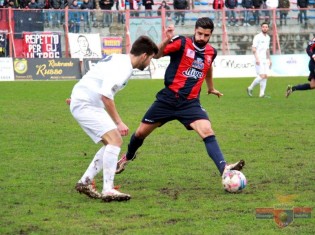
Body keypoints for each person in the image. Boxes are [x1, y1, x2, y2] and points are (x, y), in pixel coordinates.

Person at [116, 17, 245, 184]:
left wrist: (210, 87)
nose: (201, 38)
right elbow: (157, 55)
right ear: (195, 30)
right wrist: (167, 39)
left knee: (207, 130)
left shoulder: (211, 52)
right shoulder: (181, 43)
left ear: (211, 35)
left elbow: (208, 67)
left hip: (190, 103)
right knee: (140, 133)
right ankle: (128, 156)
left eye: (206, 35)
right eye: (199, 33)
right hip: (167, 100)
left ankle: (224, 169)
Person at [69, 35, 160, 202]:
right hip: (87, 103)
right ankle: (108, 189)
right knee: (115, 140)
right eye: (151, 59)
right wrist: (119, 122)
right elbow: (106, 96)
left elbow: (96, 78)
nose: (149, 64)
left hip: (86, 101)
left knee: (110, 143)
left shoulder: (120, 60)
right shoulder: (123, 67)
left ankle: (85, 182)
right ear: (144, 56)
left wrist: (77, 97)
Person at [247, 22, 271, 98]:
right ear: (261, 28)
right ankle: (250, 88)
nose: (265, 28)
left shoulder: (268, 37)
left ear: (268, 28)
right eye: (263, 27)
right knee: (262, 75)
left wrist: (269, 59)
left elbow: (267, 49)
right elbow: (253, 48)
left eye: (266, 27)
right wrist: (257, 58)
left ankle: (262, 94)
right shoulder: (257, 37)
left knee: (266, 76)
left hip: (265, 59)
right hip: (259, 58)